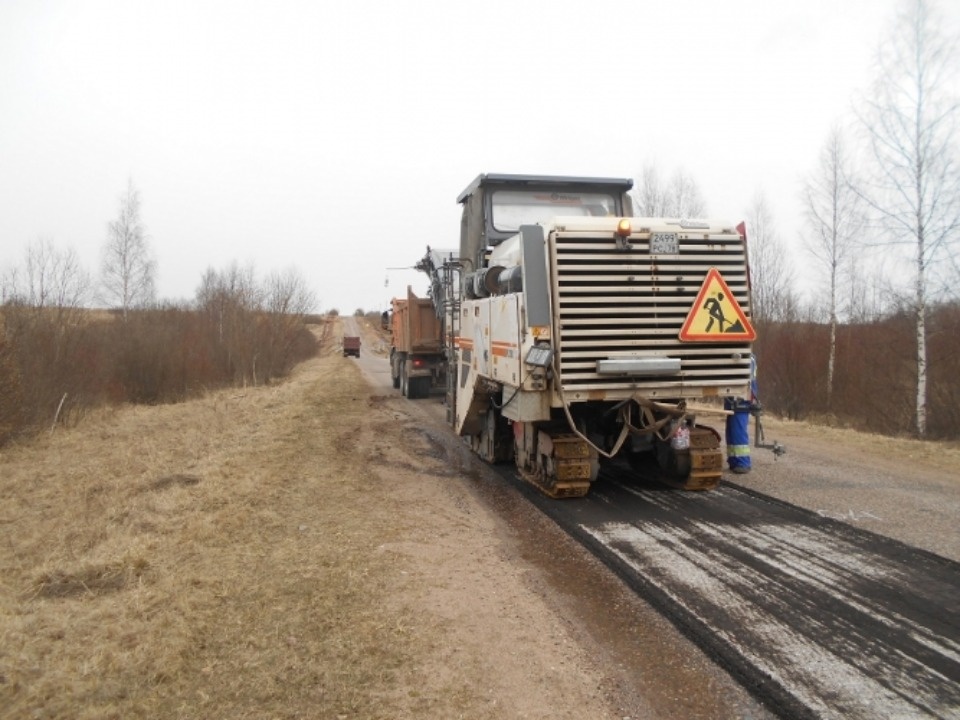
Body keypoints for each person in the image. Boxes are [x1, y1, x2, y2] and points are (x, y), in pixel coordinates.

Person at [725, 354, 758, 474]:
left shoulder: (747, 358)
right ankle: (734, 460)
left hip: (741, 398)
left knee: (738, 430)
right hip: (735, 397)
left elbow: (747, 381)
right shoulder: (746, 356)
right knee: (732, 429)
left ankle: (743, 463)